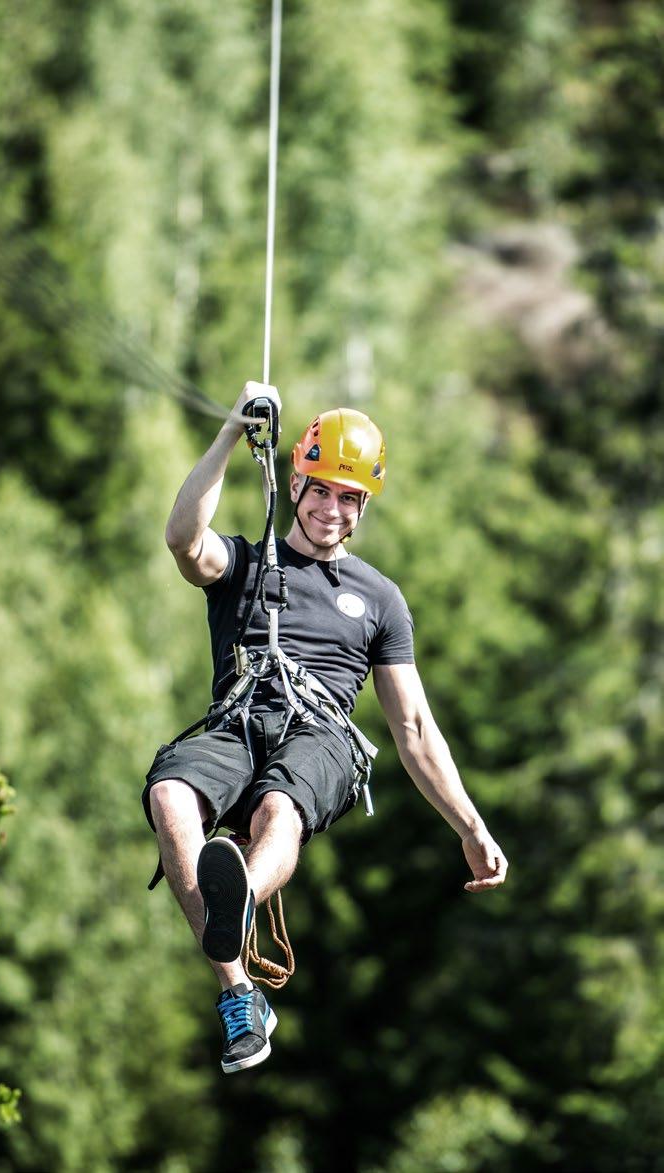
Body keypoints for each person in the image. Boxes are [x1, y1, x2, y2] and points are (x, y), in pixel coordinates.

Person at [143, 380, 508, 1076]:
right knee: (169, 796)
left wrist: (470, 825)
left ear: (363, 506)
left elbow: (415, 727)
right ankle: (239, 995)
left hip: (322, 738)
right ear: (297, 479)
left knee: (279, 807)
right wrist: (229, 433)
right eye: (321, 490)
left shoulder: (378, 599)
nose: (331, 510)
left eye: (349, 498)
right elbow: (182, 538)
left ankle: (241, 893)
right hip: (241, 718)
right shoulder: (245, 564)